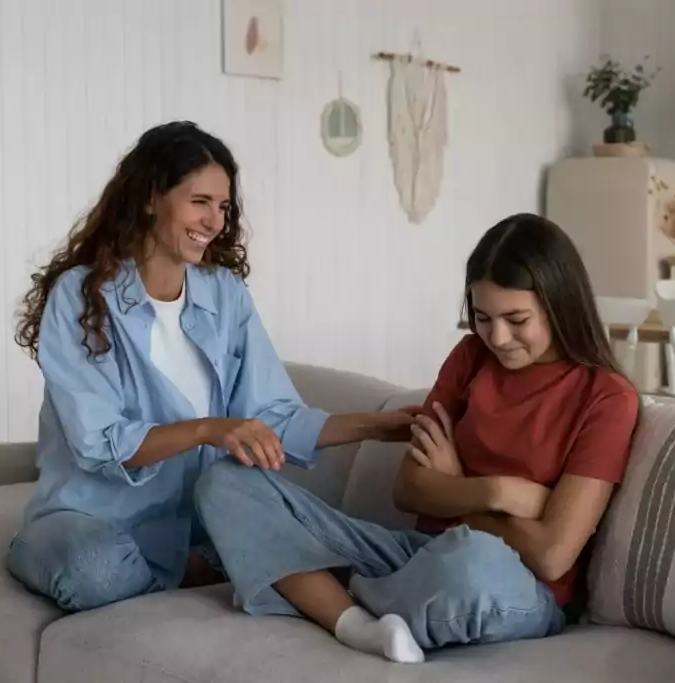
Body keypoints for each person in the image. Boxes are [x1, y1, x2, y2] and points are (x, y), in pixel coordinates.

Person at [5, 120, 417, 612]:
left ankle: (188, 567)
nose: (215, 221)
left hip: (191, 527)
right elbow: (98, 442)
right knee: (94, 568)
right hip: (90, 519)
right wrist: (209, 429)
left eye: (222, 207)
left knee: (283, 524)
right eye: (200, 202)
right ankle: (156, 567)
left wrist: (381, 425)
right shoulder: (79, 295)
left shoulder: (225, 295)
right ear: (151, 197)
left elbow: (272, 417)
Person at [194, 212, 641, 664]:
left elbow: (551, 556)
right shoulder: (471, 357)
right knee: (227, 483)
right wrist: (498, 491)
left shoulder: (605, 397)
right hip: (417, 558)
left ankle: (314, 588)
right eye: (483, 317)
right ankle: (355, 621)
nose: (499, 338)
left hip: (512, 585)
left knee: (472, 557)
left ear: (559, 304)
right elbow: (410, 490)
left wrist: (454, 488)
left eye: (517, 319)